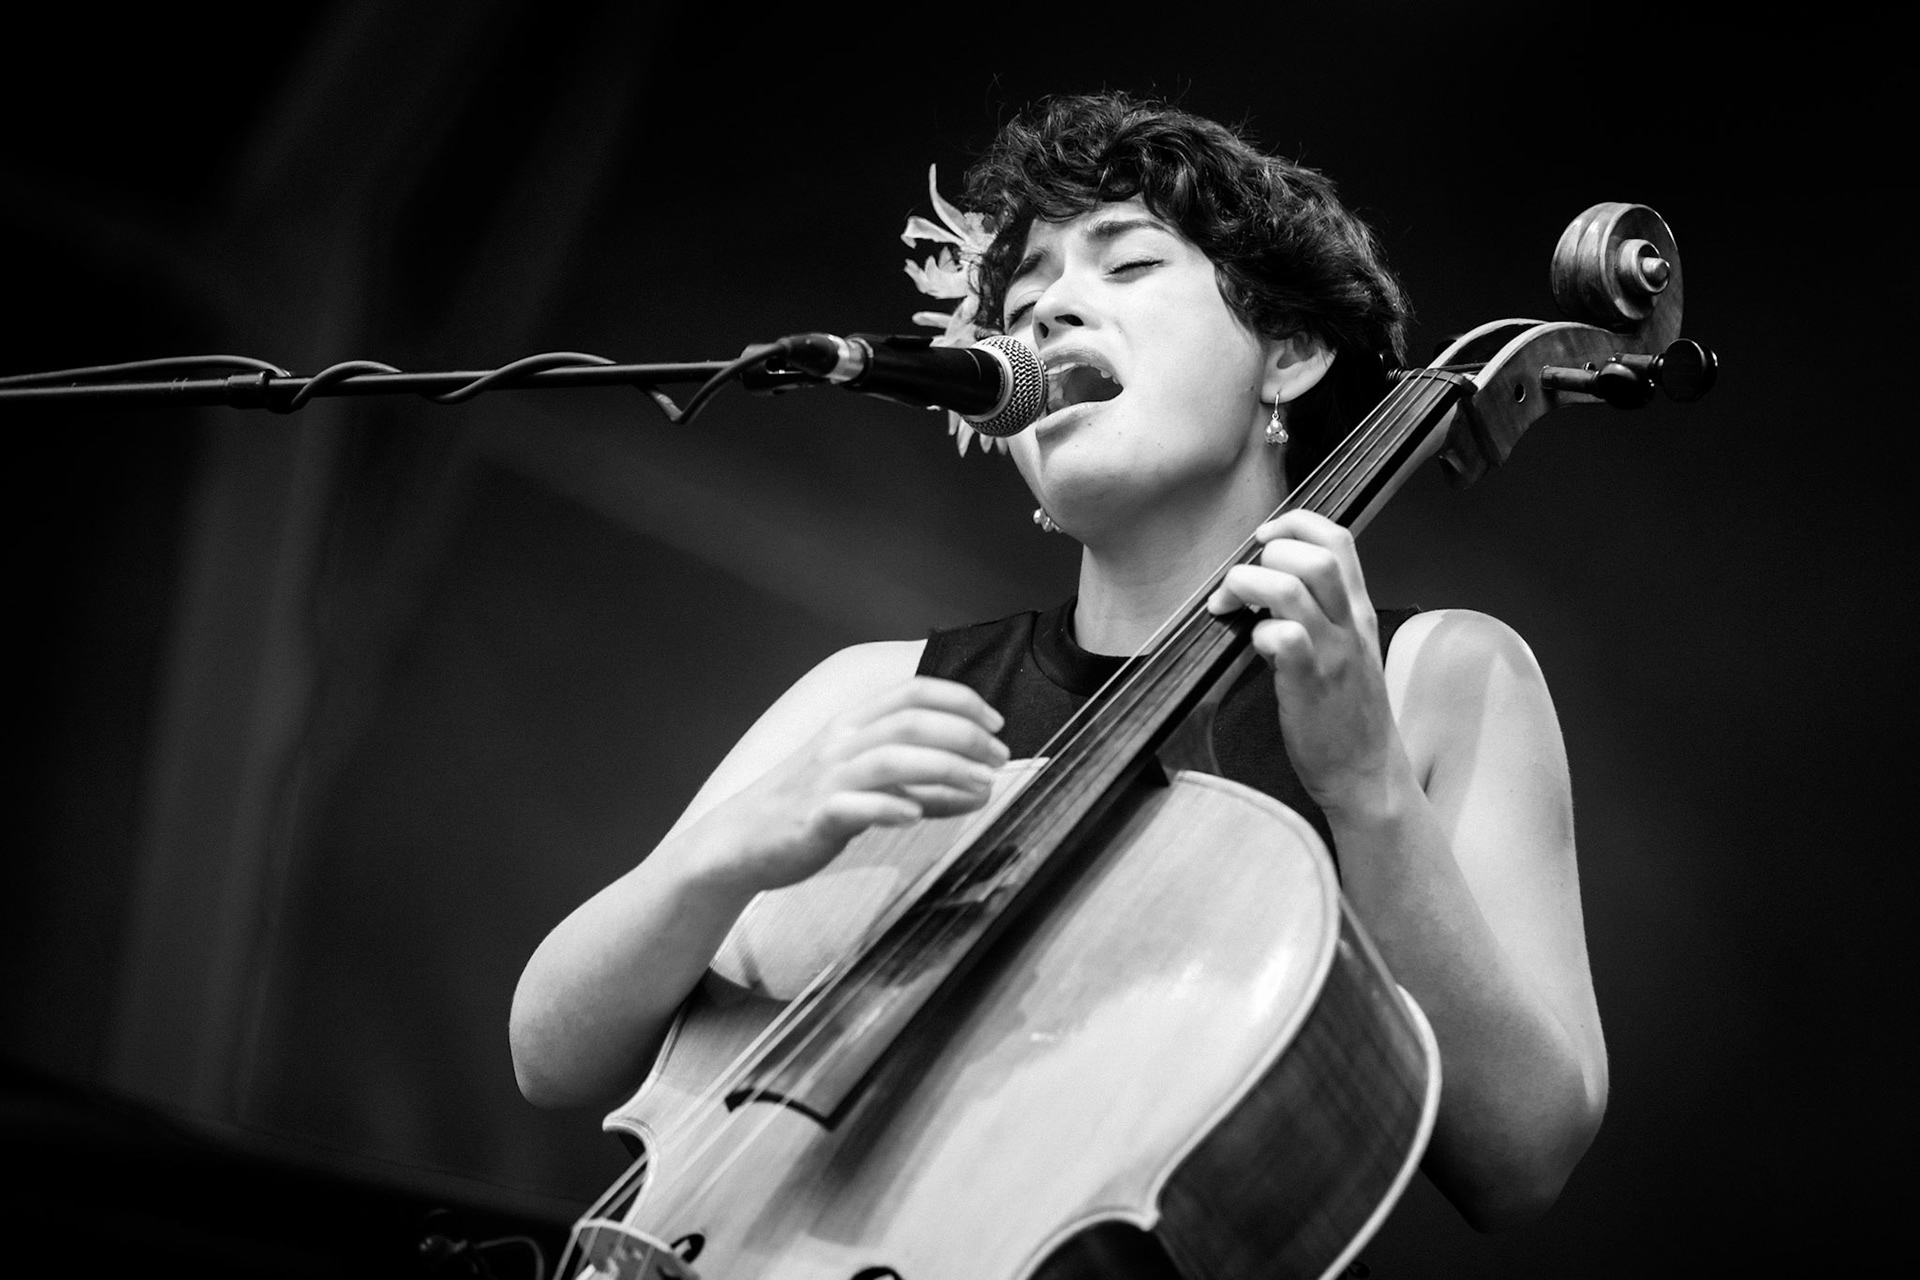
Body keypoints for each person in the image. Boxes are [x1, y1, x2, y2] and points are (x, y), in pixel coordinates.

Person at [509, 92, 1606, 1233]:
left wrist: (1368, 787)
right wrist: (718, 861)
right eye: (1025, 304)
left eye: (1126, 267)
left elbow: (1526, 1152)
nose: (1050, 315)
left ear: (1288, 351)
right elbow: (551, 1052)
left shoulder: (1443, 674)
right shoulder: (877, 687)